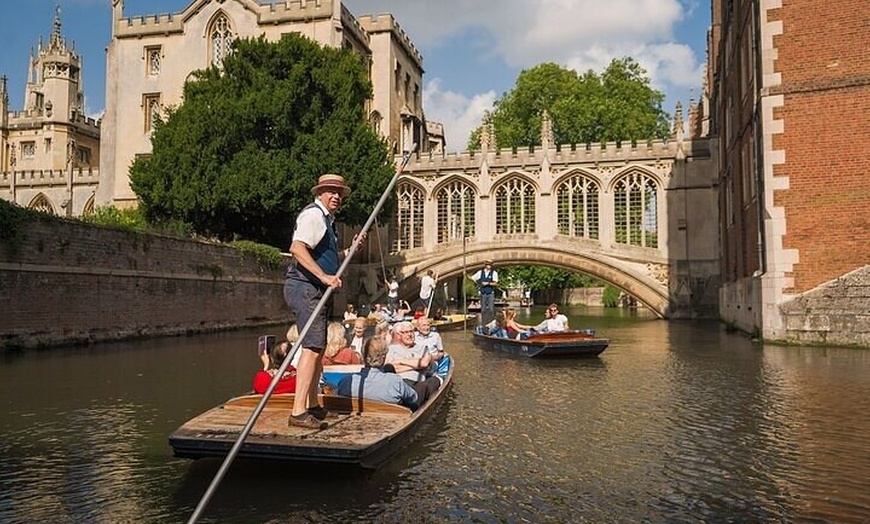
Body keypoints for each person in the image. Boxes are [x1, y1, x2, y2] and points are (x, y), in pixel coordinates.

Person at [284, 173, 362, 430]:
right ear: (320, 192)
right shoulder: (313, 216)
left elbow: (327, 256)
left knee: (318, 347)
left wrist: (350, 251)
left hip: (315, 288)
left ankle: (313, 404)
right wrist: (324, 277)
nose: (336, 196)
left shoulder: (327, 221)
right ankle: (298, 412)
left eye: (339, 193)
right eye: (331, 191)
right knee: (312, 347)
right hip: (306, 287)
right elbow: (297, 248)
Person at [335, 337, 420, 411]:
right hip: (390, 420)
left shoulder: (346, 381)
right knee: (427, 386)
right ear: (383, 358)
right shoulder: (394, 382)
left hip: (357, 418)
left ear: (363, 356)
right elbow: (414, 398)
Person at [386, 321, 441, 404]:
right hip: (397, 383)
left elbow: (424, 363)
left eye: (411, 331)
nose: (409, 335)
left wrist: (400, 361)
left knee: (424, 387)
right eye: (405, 332)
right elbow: (390, 368)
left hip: (416, 384)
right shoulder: (391, 349)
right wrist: (416, 365)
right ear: (399, 335)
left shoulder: (423, 348)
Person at [414, 317, 450, 382]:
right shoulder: (413, 336)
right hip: (417, 363)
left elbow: (441, 353)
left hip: (431, 364)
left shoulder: (435, 336)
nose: (427, 328)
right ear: (418, 327)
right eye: (424, 325)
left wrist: (434, 357)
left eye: (428, 325)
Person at [471, 260, 499, 325]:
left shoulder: (494, 273)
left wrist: (488, 283)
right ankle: (484, 323)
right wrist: (466, 274)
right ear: (485, 265)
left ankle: (491, 323)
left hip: (490, 293)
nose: (489, 266)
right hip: (483, 293)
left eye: (490, 265)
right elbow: (472, 278)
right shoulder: (480, 272)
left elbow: (496, 284)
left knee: (491, 309)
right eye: (488, 264)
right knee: (483, 310)